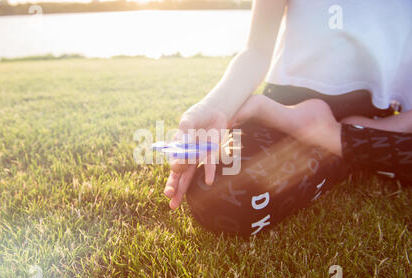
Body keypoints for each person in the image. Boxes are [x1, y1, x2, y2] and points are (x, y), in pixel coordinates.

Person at [163, 0, 412, 236]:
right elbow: (257, 51)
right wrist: (217, 107)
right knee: (217, 195)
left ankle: (332, 136)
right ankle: (350, 142)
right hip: (286, 106)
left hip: (378, 118)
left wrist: (381, 127)